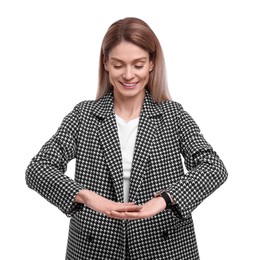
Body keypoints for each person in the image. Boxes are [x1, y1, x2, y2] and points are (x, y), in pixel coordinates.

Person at [25, 17, 228, 260]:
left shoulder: (172, 115)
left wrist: (165, 199)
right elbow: (38, 169)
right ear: (106, 63)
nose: (129, 75)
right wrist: (87, 197)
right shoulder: (84, 115)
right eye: (119, 64)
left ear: (152, 63)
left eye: (138, 64)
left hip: (164, 247)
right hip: (95, 248)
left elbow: (213, 167)